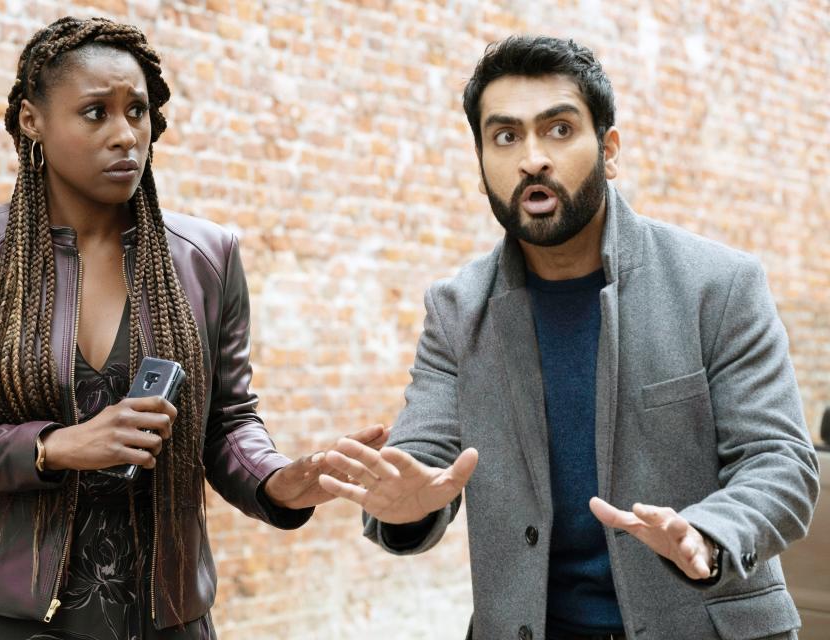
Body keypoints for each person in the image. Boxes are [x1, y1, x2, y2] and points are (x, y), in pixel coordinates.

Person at [0, 16, 386, 639]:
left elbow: (227, 422)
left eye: (138, 112)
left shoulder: (206, 259)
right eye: (95, 113)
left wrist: (278, 481)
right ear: (32, 121)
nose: (126, 135)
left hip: (163, 618)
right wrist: (51, 447)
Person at [319, 35, 819, 640]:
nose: (532, 159)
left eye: (558, 129)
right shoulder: (455, 310)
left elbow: (780, 463)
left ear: (609, 150)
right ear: (481, 167)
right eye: (505, 137)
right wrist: (406, 509)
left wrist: (709, 534)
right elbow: (424, 458)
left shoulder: (718, 285)